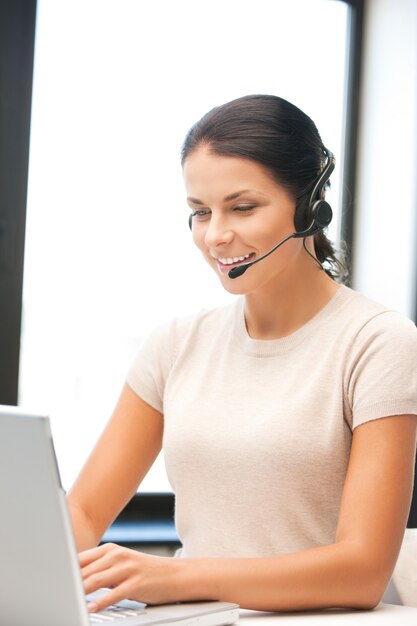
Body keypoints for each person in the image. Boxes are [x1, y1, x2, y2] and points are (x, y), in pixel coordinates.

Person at [67, 94, 417, 613]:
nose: (216, 235)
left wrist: (177, 577)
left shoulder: (378, 342)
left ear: (310, 206)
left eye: (243, 207)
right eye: (200, 212)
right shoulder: (175, 345)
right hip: (193, 620)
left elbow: (361, 572)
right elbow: (83, 513)